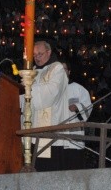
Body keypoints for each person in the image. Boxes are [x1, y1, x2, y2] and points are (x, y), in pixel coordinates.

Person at [27, 39, 70, 171]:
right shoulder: (32, 71)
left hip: (52, 127)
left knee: (49, 170)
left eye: (40, 54)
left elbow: (51, 92)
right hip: (34, 128)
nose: (37, 57)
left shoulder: (57, 68)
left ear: (49, 52)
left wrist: (28, 90)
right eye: (34, 55)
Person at [62, 61, 92, 169]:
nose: (62, 71)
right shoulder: (52, 90)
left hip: (74, 137)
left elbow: (88, 105)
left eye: (64, 69)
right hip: (56, 138)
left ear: (69, 72)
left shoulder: (78, 89)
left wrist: (77, 107)